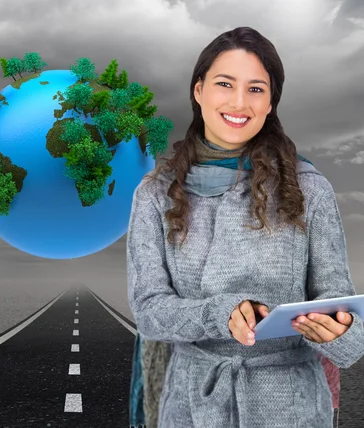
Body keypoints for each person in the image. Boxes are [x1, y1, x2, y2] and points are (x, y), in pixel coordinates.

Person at [126, 26, 364, 428]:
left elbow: (338, 304)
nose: (240, 102)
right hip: (190, 405)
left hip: (291, 408)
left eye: (256, 89)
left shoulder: (308, 189)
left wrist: (336, 332)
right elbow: (149, 311)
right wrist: (221, 314)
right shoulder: (154, 194)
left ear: (271, 102)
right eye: (224, 84)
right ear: (198, 90)